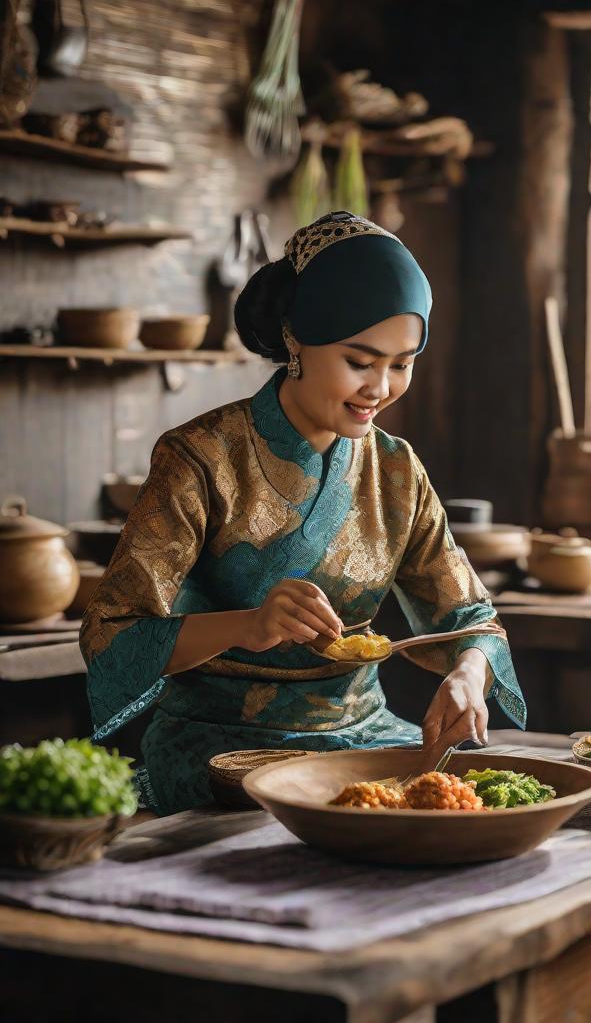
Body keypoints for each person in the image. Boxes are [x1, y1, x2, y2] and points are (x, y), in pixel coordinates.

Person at [81, 211, 525, 815]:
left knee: (468, 808)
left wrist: (469, 673)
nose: (381, 387)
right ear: (296, 339)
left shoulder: (395, 468)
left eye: (402, 363)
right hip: (222, 748)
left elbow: (472, 617)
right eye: (360, 361)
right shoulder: (201, 457)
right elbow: (112, 633)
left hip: (364, 737)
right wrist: (247, 626)